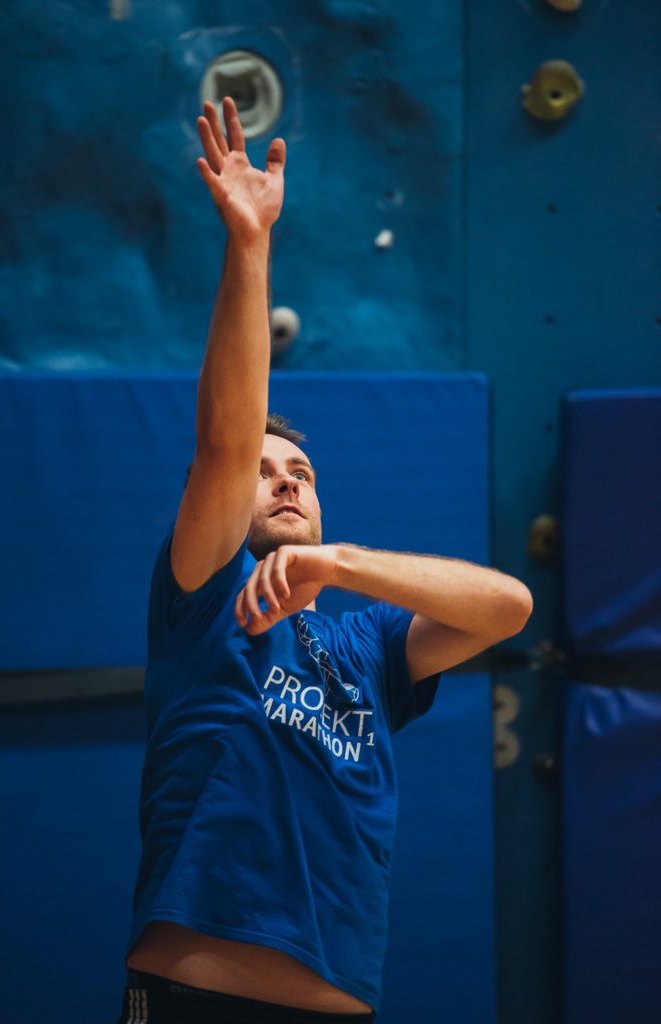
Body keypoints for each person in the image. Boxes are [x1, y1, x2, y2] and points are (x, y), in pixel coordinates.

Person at [117, 97, 533, 1024]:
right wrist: (251, 243)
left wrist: (340, 564)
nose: (285, 482)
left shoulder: (369, 648)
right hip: (194, 998)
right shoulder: (203, 597)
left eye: (300, 473)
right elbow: (225, 442)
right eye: (264, 474)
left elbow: (508, 606)